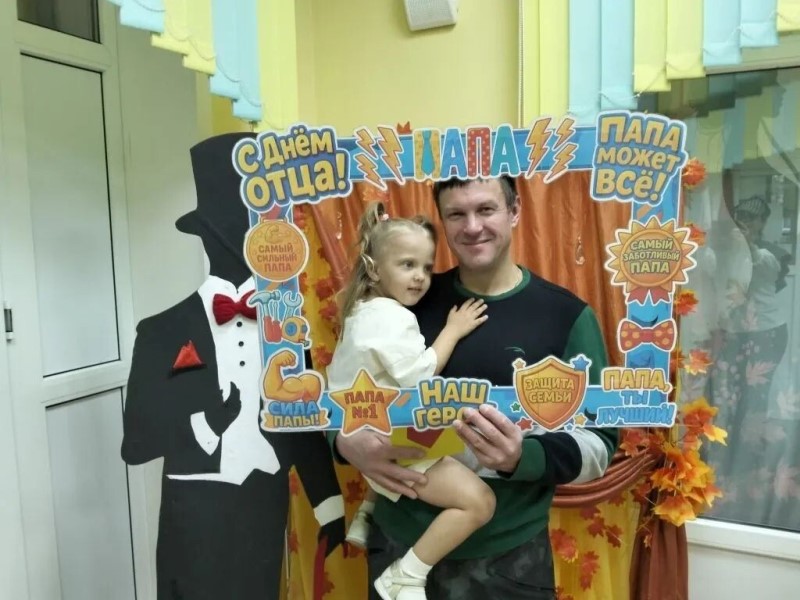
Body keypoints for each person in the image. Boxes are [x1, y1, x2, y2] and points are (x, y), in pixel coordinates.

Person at [330, 176, 618, 599]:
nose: (472, 226)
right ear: (442, 223)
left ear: (514, 211)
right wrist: (344, 443)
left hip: (510, 559)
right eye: (456, 214)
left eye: (486, 209)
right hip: (398, 543)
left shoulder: (566, 316)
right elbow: (344, 389)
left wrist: (522, 457)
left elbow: (600, 442)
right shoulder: (402, 299)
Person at [122, 132, 345, 599]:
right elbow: (136, 444)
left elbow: (300, 421)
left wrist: (328, 504)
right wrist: (208, 423)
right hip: (194, 508)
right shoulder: (161, 331)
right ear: (208, 238)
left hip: (263, 501)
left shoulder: (285, 329)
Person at [326, 202, 494, 600]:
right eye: (407, 265)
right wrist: (453, 330)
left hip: (360, 426)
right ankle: (407, 574)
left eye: (426, 267)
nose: (420, 277)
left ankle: (367, 512)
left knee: (440, 433)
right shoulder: (392, 316)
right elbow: (418, 377)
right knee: (479, 502)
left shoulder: (360, 312)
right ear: (374, 269)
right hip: (390, 437)